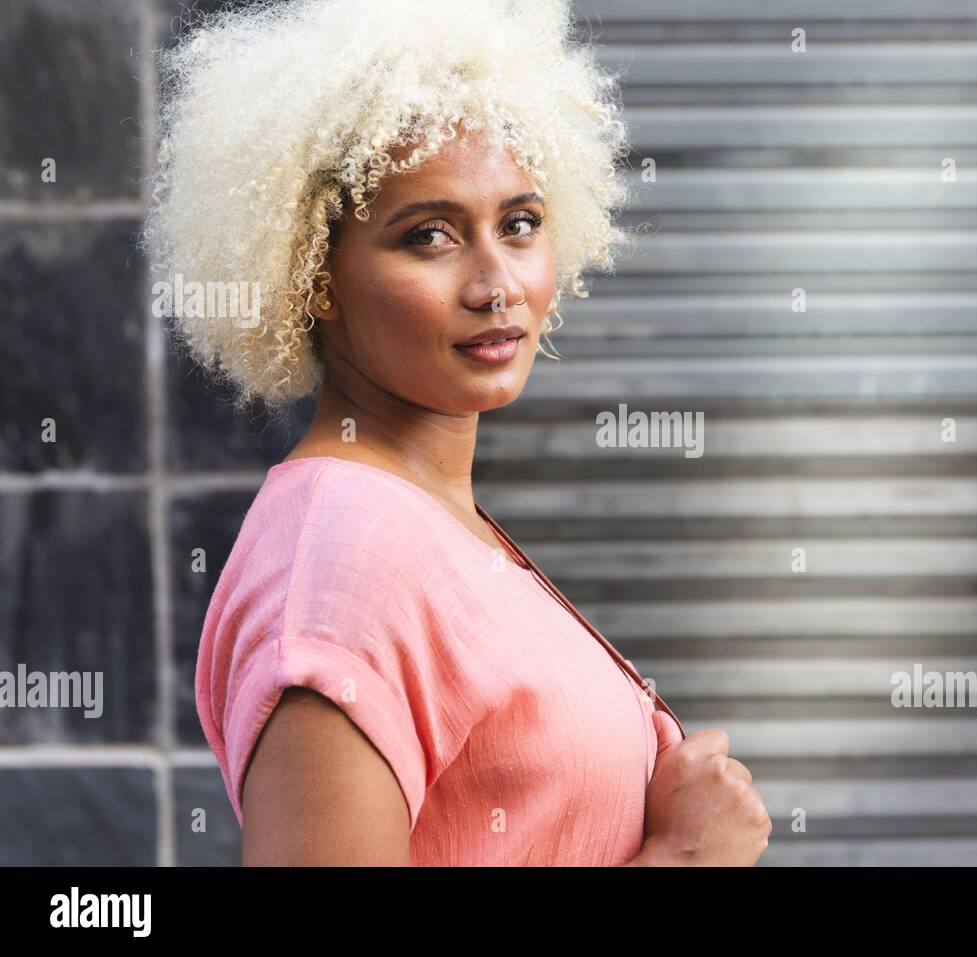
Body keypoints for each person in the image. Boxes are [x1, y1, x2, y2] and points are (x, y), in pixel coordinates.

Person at [143, 0, 770, 865]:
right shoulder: (340, 560)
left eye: (518, 223)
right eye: (429, 235)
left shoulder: (423, 518)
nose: (496, 283)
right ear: (313, 276)